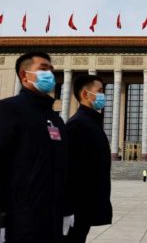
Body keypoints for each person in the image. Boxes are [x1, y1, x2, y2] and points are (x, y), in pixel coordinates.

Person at [0, 52, 74, 243]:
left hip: (52, 221)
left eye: (51, 69)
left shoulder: (56, 120)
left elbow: (63, 169)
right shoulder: (7, 111)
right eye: (43, 69)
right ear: (24, 75)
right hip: (20, 222)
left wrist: (66, 209)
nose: (49, 74)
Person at [64, 76, 112, 243]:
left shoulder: (91, 123)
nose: (103, 95)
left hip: (86, 205)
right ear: (85, 93)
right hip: (76, 208)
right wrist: (67, 209)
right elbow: (67, 170)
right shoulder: (77, 125)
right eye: (99, 91)